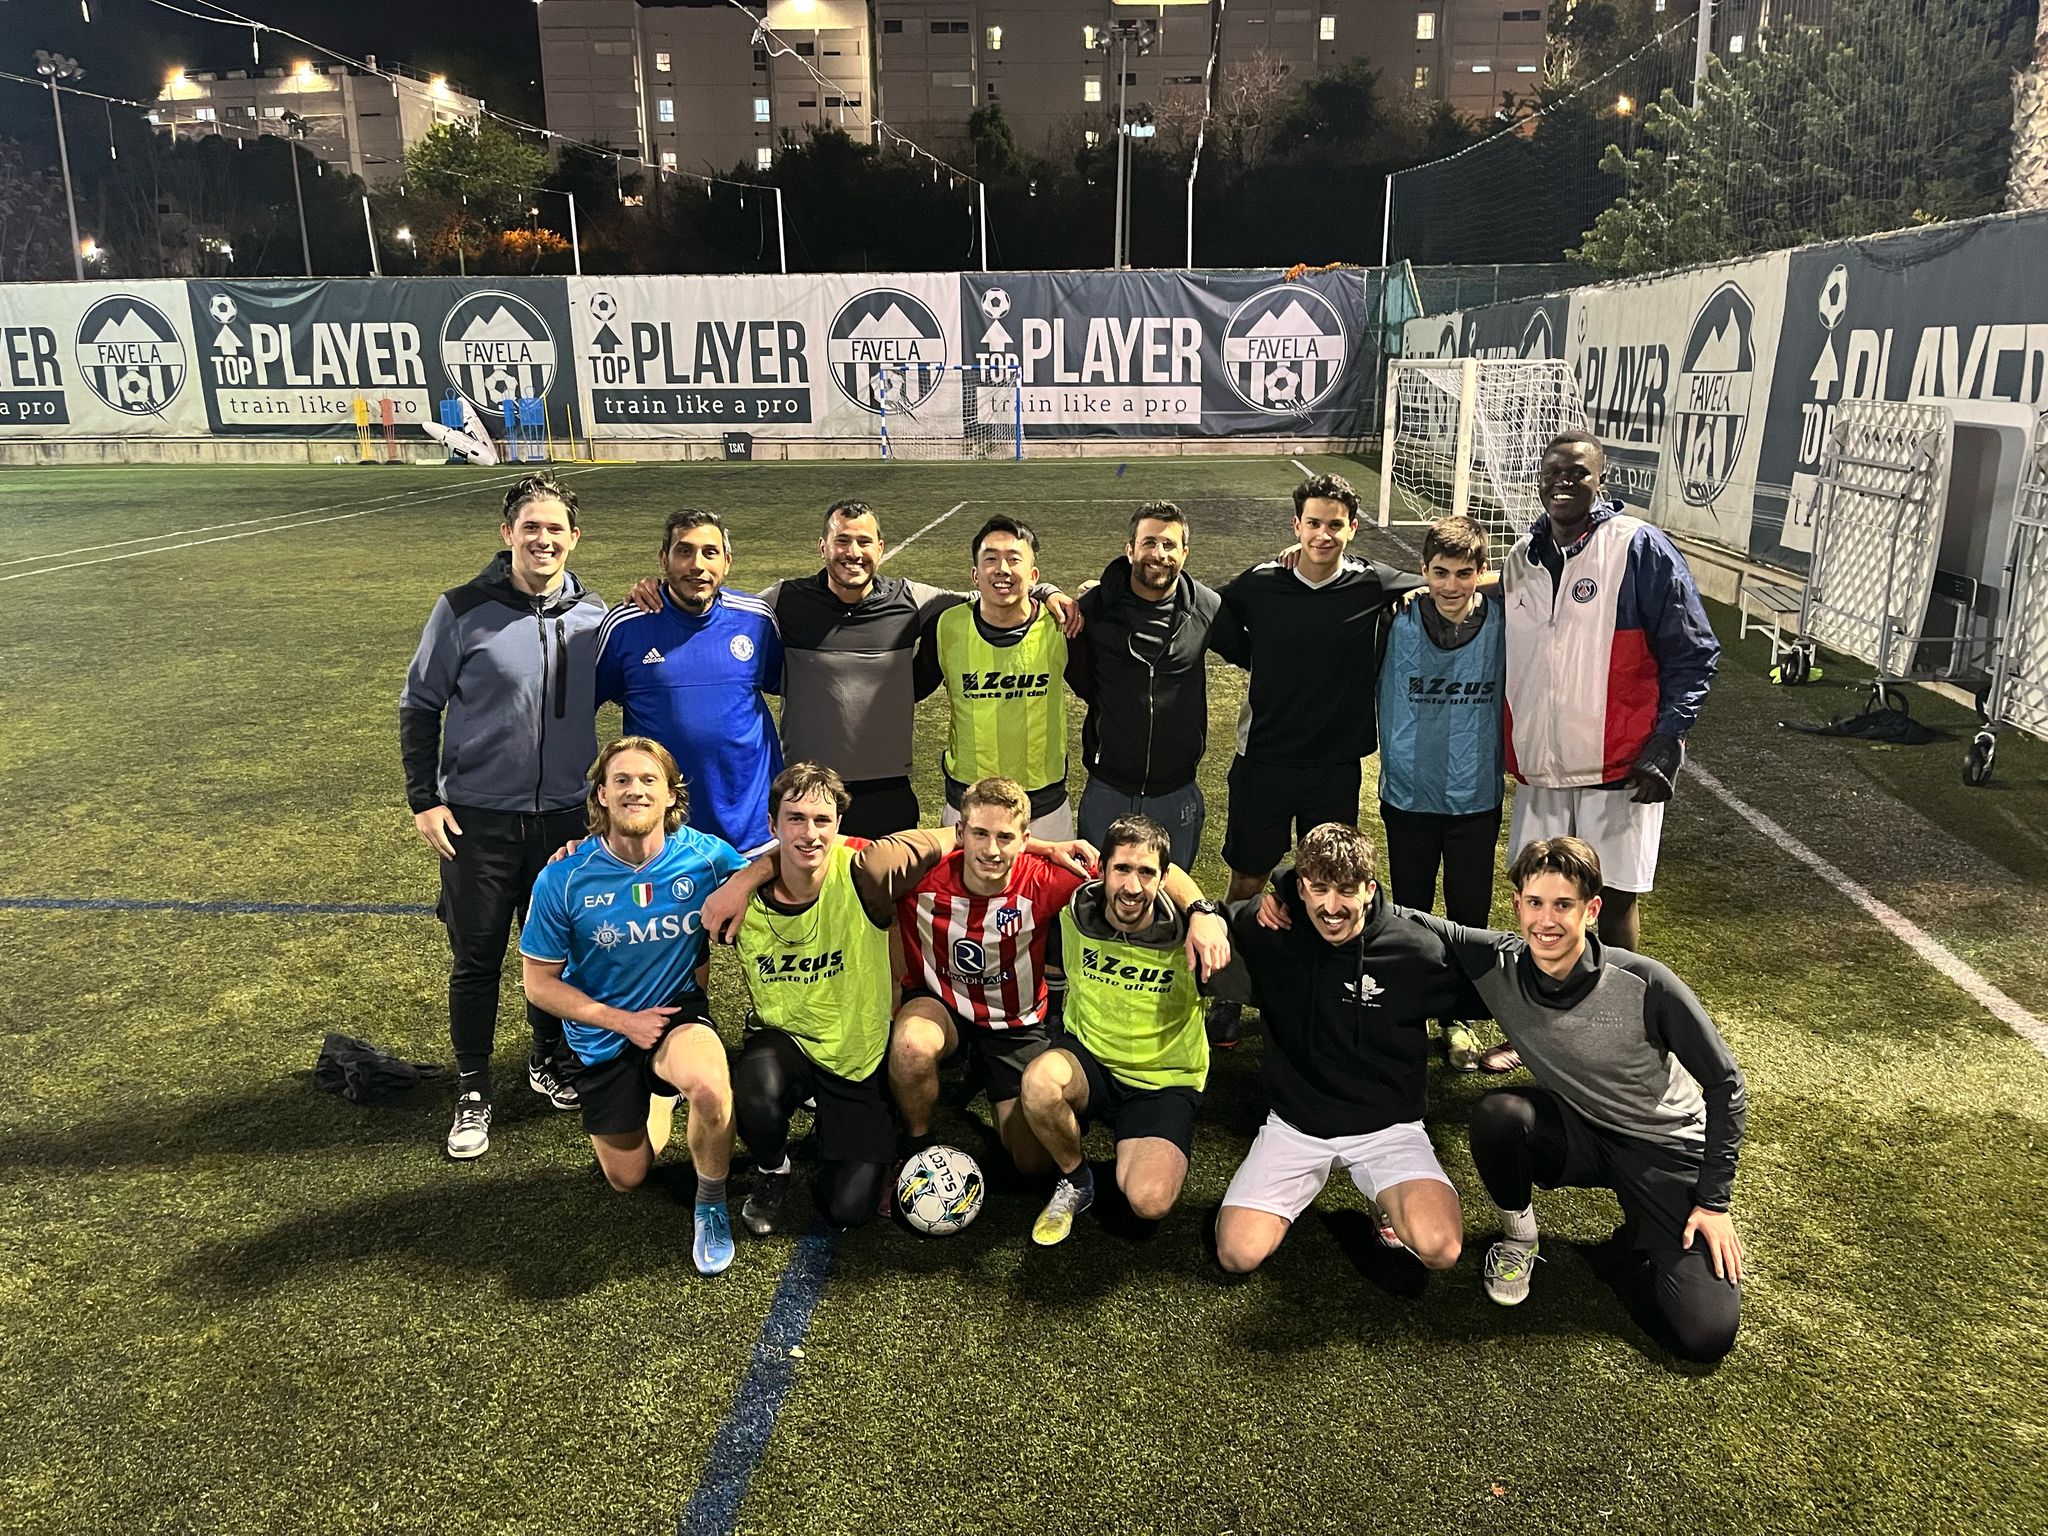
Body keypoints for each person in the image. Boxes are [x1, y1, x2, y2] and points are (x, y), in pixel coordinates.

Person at [1420, 836, 1747, 1362]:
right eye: (1534, 903)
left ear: (1591, 909)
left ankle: (1625, 1255)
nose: (1545, 921)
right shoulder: (1499, 962)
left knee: (1705, 1332)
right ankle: (1519, 1239)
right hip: (1582, 1131)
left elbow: (1726, 1086)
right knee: (1498, 1116)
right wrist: (1280, 895)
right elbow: (1405, 916)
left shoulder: (1646, 982)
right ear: (1517, 905)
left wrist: (1713, 1202)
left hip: (1665, 1147)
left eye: (1563, 905)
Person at [627, 499, 1078, 839]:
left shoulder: (911, 601)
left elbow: (996, 598)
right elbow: (718, 609)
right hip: (808, 789)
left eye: (864, 541)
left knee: (887, 913)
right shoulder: (783, 601)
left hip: (888, 790)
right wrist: (660, 590)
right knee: (809, 908)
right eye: (842, 540)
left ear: (880, 548)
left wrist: (1049, 591)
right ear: (824, 546)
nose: (853, 552)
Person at [399, 470, 607, 1160]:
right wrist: (425, 799)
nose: (543, 539)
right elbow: (420, 705)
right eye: (531, 527)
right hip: (479, 822)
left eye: (555, 529)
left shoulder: (595, 615)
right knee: (478, 959)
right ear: (507, 534)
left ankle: (544, 1061)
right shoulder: (461, 609)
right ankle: (471, 1089)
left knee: (555, 954)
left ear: (574, 538)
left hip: (566, 822)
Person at [889, 776, 1229, 1176]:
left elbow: (1143, 869)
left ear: (1024, 838)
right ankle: (916, 1146)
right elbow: (868, 855)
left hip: (1012, 1022)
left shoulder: (1047, 879)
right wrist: (1042, 844)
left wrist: (1203, 911)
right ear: (960, 833)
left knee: (1033, 1165)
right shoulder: (922, 874)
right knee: (911, 1045)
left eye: (1005, 837)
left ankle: (984, 1067)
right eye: (979, 833)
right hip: (942, 1005)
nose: (991, 849)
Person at [518, 737, 752, 1277]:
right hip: (601, 1033)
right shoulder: (564, 877)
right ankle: (658, 1099)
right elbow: (539, 986)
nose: (635, 790)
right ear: (601, 795)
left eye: (649, 780)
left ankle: (711, 1202)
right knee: (629, 1178)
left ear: (672, 796)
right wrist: (620, 1021)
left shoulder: (704, 855)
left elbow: (767, 869)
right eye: (621, 780)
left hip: (675, 1013)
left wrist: (747, 881)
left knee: (711, 1085)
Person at [1205, 473, 1425, 1045]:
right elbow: (1221, 626)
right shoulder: (1260, 582)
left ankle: (1318, 988)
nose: (1322, 534)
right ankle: (1230, 993)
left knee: (1329, 881)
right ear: (1296, 526)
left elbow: (1448, 582)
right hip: (1265, 760)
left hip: (1333, 765)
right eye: (1313, 523)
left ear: (1352, 528)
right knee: (1249, 877)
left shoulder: (1372, 583)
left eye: (1334, 524)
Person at [1213, 823, 1476, 1277]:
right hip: (1295, 1126)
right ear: (1301, 887)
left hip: (1388, 1129)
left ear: (1370, 890)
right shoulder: (1272, 927)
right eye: (1319, 889)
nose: (1332, 907)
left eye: (1347, 891)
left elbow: (1490, 981)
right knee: (1237, 1254)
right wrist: (1207, 912)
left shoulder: (1414, 950)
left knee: (1441, 1249)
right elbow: (1208, 912)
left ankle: (1385, 1197)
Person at [1502, 430, 1719, 954]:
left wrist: (1668, 741)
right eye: (1553, 473)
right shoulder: (1520, 558)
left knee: (1614, 899)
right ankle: (1547, 1009)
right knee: (1541, 897)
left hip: (1619, 766)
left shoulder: (1638, 546)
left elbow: (1693, 652)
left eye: (1577, 473)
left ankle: (1613, 1012)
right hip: (1542, 767)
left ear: (1601, 479)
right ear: (1539, 480)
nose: (1563, 483)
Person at [718, 762, 952, 1233]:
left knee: (847, 1210)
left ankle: (842, 1131)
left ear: (840, 825)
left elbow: (958, 835)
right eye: (795, 819)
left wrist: (1045, 844)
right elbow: (659, 863)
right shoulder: (733, 885)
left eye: (822, 820)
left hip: (856, 1052)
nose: (809, 833)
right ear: (772, 825)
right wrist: (580, 848)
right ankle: (772, 1169)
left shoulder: (868, 872)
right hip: (785, 1040)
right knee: (755, 1089)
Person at [1019, 814, 1239, 1246]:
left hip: (1163, 1080)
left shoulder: (1193, 933)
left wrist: (1204, 909)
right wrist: (1045, 847)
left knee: (1149, 1201)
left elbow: (1281, 907)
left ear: (1164, 879)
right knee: (1039, 1084)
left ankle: (1136, 1139)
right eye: (1122, 869)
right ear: (1101, 870)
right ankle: (1076, 1180)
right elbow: (996, 850)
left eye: (1146, 873)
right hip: (1090, 1060)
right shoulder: (1075, 906)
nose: (1133, 887)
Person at [1375, 514, 1509, 1073]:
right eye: (1439, 572)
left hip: (1475, 794)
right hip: (1408, 793)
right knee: (1410, 910)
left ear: (1483, 573)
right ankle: (1410, 1011)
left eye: (1464, 573)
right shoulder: (1393, 616)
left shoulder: (1507, 620)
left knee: (1469, 909)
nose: (1450, 585)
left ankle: (1459, 1017)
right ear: (1422, 571)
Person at [1066, 501, 1245, 872]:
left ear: (1185, 553)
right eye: (1148, 543)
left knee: (1171, 905)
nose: (1158, 554)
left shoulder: (1207, 607)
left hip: (1176, 790)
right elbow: (1073, 669)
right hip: (1107, 789)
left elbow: (1253, 652)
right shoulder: (1094, 606)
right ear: (1130, 549)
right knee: (1097, 896)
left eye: (1168, 545)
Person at [596, 508, 783, 856]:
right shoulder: (625, 625)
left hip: (756, 833)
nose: (697, 564)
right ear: (663, 559)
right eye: (684, 551)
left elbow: (787, 684)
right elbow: (579, 711)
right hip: (664, 838)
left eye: (710, 552)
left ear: (727, 561)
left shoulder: (755, 619)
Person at [916, 516, 1078, 839]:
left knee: (1053, 891)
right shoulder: (946, 626)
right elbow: (910, 688)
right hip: (967, 805)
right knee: (962, 891)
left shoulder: (1060, 623)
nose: (1002, 569)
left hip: (1044, 808)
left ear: (1033, 576)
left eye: (1013, 559)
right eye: (990, 559)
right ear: (975, 576)